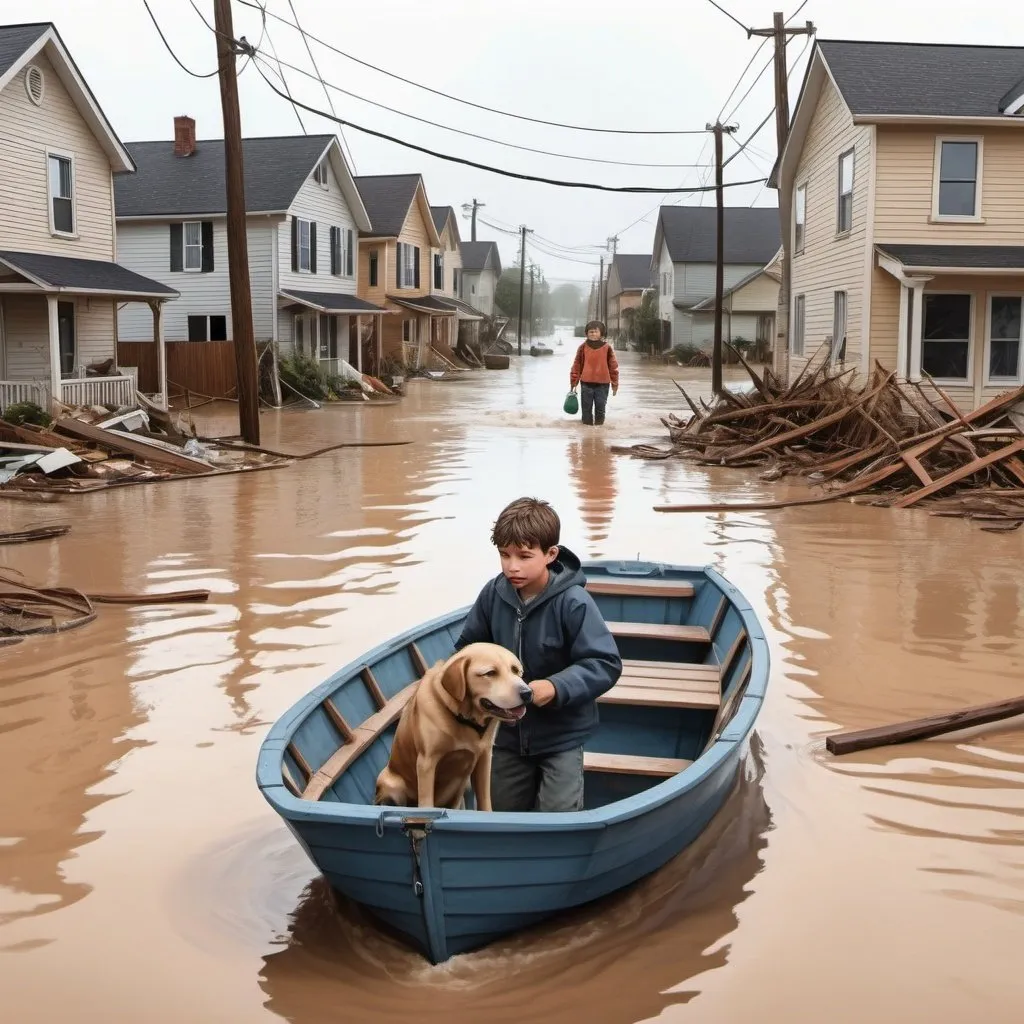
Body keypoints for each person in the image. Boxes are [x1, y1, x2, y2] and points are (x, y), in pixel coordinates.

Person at [453, 497, 622, 812]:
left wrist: (555, 688)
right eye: (504, 555)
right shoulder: (493, 594)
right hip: (503, 735)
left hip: (561, 737)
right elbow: (468, 650)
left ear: (550, 554)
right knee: (497, 818)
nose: (512, 566)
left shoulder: (573, 602)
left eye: (524, 556)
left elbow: (604, 663)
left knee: (559, 817)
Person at [569, 320, 619, 426]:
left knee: (600, 409)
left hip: (603, 384)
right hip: (586, 383)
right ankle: (587, 433)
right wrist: (573, 382)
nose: (593, 334)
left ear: (601, 333)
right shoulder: (582, 348)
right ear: (586, 333)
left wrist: (615, 384)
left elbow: (613, 367)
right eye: (591, 332)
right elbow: (576, 365)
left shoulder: (607, 348)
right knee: (586, 410)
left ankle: (598, 434)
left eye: (596, 331)